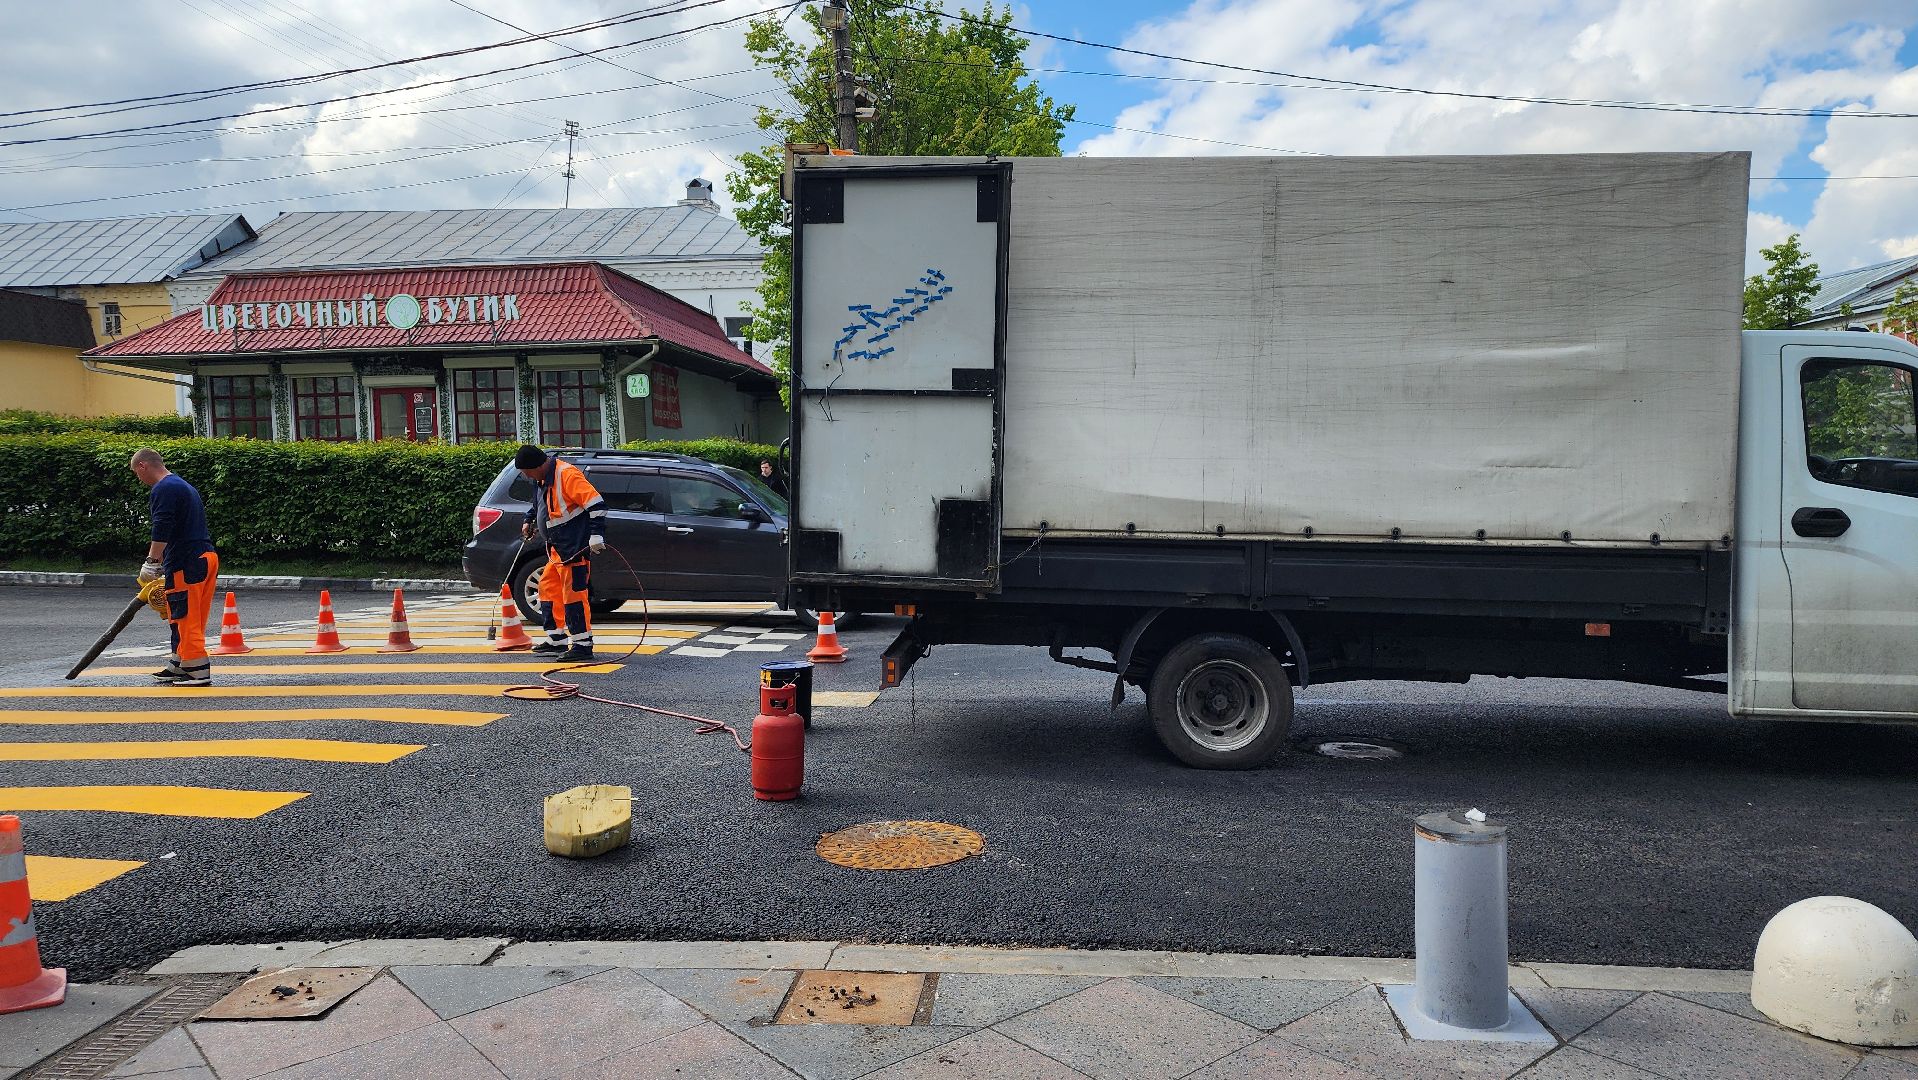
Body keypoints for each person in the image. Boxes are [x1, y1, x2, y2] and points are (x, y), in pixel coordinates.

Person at [130, 448, 219, 686]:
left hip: (187, 561)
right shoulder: (182, 485)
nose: (139, 479)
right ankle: (179, 664)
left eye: (136, 473)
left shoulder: (163, 488)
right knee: (184, 616)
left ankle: (197, 670)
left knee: (185, 616)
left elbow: (162, 526)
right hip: (203, 556)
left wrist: (152, 562)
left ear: (143, 466)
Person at [516, 444, 607, 661]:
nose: (526, 476)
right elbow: (539, 502)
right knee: (547, 589)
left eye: (527, 472)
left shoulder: (567, 475)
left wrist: (596, 535)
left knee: (573, 596)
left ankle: (583, 645)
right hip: (558, 547)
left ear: (537, 466)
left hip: (574, 547)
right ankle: (556, 640)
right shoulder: (543, 477)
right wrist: (529, 519)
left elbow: (597, 505)